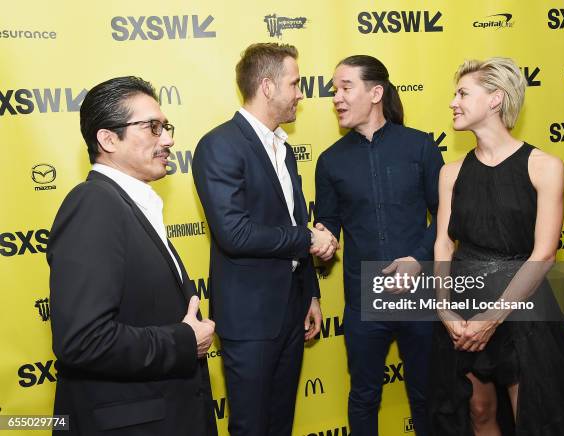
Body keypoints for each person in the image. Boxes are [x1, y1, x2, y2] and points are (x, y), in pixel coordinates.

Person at [429, 57, 564, 435]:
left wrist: (492, 319)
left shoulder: (545, 166)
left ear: (495, 99)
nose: (452, 102)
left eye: (462, 93)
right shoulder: (450, 173)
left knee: (532, 417)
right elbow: (443, 243)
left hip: (523, 307)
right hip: (464, 302)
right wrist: (444, 310)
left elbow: (543, 254)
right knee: (478, 411)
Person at [47, 76, 218, 436]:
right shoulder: (93, 204)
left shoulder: (130, 205)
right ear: (108, 139)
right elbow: (83, 340)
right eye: (152, 128)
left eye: (166, 127)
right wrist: (184, 341)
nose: (168, 139)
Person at [192, 43, 337, 436]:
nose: (302, 94)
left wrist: (310, 294)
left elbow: (291, 219)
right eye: (296, 83)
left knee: (279, 423)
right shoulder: (219, 145)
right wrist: (307, 238)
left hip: (291, 307)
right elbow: (234, 233)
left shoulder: (281, 147)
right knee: (252, 426)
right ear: (268, 86)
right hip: (251, 315)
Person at [315, 55, 444, 436]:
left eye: (344, 87)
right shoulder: (330, 161)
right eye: (333, 90)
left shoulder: (420, 147)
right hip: (364, 292)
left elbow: (445, 217)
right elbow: (329, 225)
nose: (336, 97)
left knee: (426, 394)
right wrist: (321, 241)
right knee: (364, 396)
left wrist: (419, 259)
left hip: (419, 290)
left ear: (375, 92)